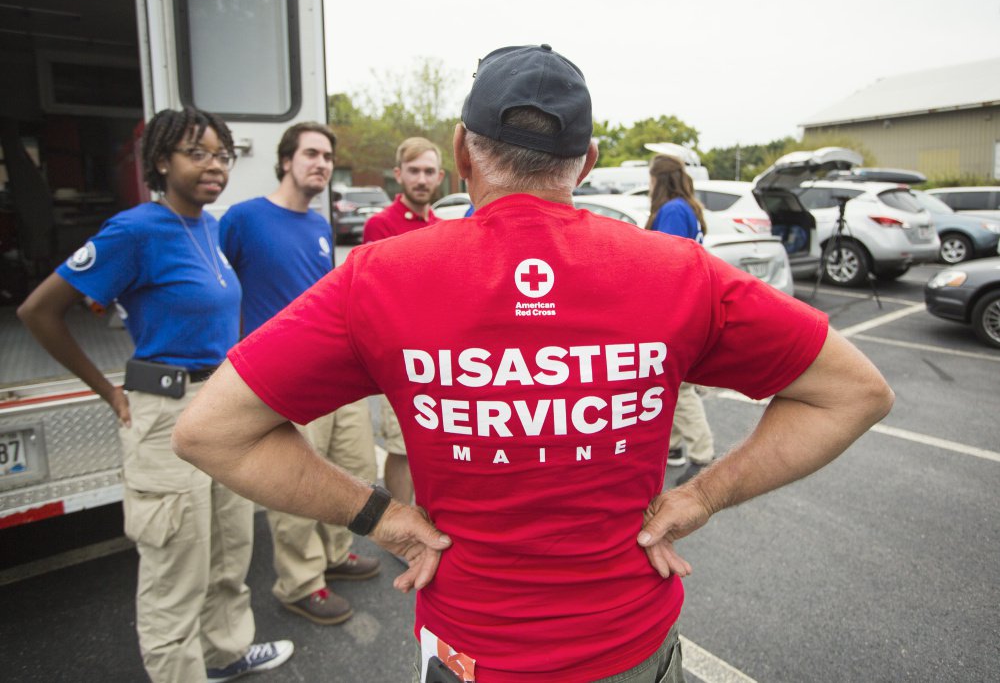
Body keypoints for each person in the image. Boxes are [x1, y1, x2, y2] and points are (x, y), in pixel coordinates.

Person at [172, 45, 894, 682]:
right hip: (630, 647)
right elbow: (854, 392)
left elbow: (209, 430)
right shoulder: (679, 273)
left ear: (461, 152)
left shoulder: (382, 277)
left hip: (472, 650)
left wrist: (382, 519)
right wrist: (702, 497)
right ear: (587, 162)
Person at [18, 107, 292, 682]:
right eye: (197, 153)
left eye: (221, 154)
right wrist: (107, 392)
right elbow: (38, 311)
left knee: (228, 548)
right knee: (176, 567)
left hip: (221, 410)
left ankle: (226, 653)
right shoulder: (134, 230)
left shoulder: (211, 229)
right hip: (164, 414)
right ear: (161, 161)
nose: (214, 165)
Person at [219, 122, 380, 626]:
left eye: (328, 157)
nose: (322, 164)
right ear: (286, 159)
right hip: (281, 382)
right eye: (311, 154)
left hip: (334, 378)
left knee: (349, 468)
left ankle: (336, 553)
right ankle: (300, 581)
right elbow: (220, 286)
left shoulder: (317, 225)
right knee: (294, 481)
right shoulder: (244, 219)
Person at [361, 136, 445, 504]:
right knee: (400, 446)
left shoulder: (443, 227)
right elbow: (378, 299)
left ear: (441, 176)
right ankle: (403, 528)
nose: (421, 179)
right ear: (398, 174)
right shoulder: (380, 226)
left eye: (429, 171)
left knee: (434, 447)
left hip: (440, 359)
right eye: (414, 171)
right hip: (403, 358)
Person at [645, 154, 716, 485]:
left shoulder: (672, 210)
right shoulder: (687, 206)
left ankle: (702, 456)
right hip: (689, 303)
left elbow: (667, 264)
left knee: (682, 388)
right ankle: (672, 449)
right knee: (666, 385)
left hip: (674, 309)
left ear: (659, 179)